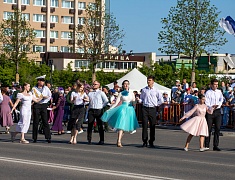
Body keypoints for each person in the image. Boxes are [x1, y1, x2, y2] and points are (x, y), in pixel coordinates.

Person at [101, 80, 139, 147]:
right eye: (125, 84)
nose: (126, 85)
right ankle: (119, 141)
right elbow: (116, 103)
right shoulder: (121, 93)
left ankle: (119, 139)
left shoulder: (131, 93)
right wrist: (110, 109)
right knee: (121, 126)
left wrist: (135, 101)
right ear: (123, 85)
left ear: (129, 85)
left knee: (125, 127)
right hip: (123, 109)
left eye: (127, 84)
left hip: (130, 109)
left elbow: (134, 102)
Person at [137, 75, 163, 148]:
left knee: (152, 125)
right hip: (145, 108)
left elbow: (161, 100)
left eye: (150, 80)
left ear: (153, 81)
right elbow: (141, 98)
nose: (148, 82)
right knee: (144, 125)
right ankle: (144, 141)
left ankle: (151, 141)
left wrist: (156, 104)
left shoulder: (156, 90)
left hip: (152, 108)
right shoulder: (144, 90)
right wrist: (139, 100)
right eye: (148, 80)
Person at [87, 80, 108, 145]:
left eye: (95, 84)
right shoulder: (90, 93)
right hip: (91, 109)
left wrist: (101, 106)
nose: (94, 85)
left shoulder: (101, 93)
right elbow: (88, 101)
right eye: (93, 84)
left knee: (100, 125)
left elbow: (106, 100)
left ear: (98, 85)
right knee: (90, 124)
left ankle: (102, 140)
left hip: (98, 110)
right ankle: (89, 139)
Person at [32, 75, 52, 143]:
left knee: (45, 121)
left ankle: (48, 137)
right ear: (38, 81)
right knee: (36, 121)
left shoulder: (46, 88)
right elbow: (33, 97)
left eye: (43, 81)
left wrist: (46, 97)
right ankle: (34, 137)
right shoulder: (34, 89)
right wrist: (39, 99)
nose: (43, 82)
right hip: (37, 105)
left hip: (44, 105)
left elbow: (49, 95)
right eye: (41, 81)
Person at [205, 79, 223, 151]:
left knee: (217, 128)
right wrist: (211, 107)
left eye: (217, 84)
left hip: (217, 111)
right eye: (215, 84)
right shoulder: (208, 92)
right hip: (210, 111)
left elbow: (221, 99)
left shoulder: (219, 92)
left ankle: (216, 145)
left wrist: (218, 105)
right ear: (211, 85)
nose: (216, 86)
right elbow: (206, 101)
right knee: (208, 128)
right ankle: (206, 144)